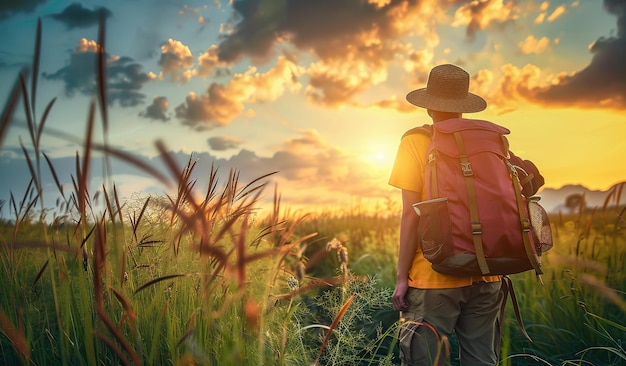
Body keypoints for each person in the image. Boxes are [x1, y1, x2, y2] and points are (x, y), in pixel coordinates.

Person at [389, 64, 507, 365]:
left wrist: (402, 277)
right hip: (488, 270)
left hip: (433, 275)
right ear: (464, 106)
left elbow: (411, 215)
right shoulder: (492, 139)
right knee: (482, 360)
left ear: (428, 106)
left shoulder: (415, 141)